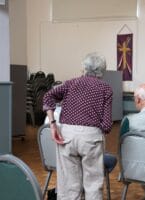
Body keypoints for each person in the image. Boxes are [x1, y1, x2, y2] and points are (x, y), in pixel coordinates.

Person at [43, 52, 113, 200]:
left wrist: (53, 124)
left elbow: (48, 96)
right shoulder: (106, 89)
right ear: (102, 70)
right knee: (93, 186)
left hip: (66, 135)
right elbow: (106, 125)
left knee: (69, 187)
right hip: (91, 138)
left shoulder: (70, 83)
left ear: (83, 68)